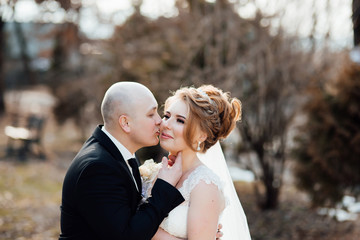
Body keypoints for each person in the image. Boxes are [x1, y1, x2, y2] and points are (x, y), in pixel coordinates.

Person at [59, 82, 185, 240]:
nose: (160, 121)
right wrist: (164, 186)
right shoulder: (97, 168)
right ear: (125, 123)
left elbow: (135, 219)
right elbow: (128, 236)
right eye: (151, 114)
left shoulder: (122, 155)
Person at [152, 85, 252, 240]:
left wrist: (141, 231)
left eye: (180, 120)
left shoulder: (204, 184)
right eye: (166, 116)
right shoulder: (155, 172)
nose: (166, 124)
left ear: (202, 135)